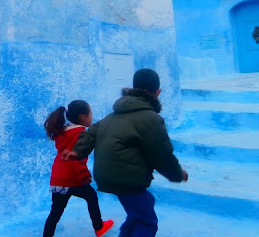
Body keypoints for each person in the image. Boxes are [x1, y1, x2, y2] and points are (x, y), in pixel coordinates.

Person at [63, 69, 188, 237]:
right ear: (157, 92)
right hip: (127, 177)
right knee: (146, 221)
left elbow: (91, 132)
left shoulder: (113, 115)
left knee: (139, 211)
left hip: (108, 175)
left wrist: (77, 151)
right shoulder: (151, 119)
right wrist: (178, 174)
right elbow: (162, 155)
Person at [42, 100, 115, 237]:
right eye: (90, 113)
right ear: (83, 117)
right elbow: (78, 159)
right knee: (91, 196)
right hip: (72, 177)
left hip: (57, 178)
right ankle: (99, 227)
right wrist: (84, 176)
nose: (92, 117)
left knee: (55, 211)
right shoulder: (81, 133)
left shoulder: (62, 131)